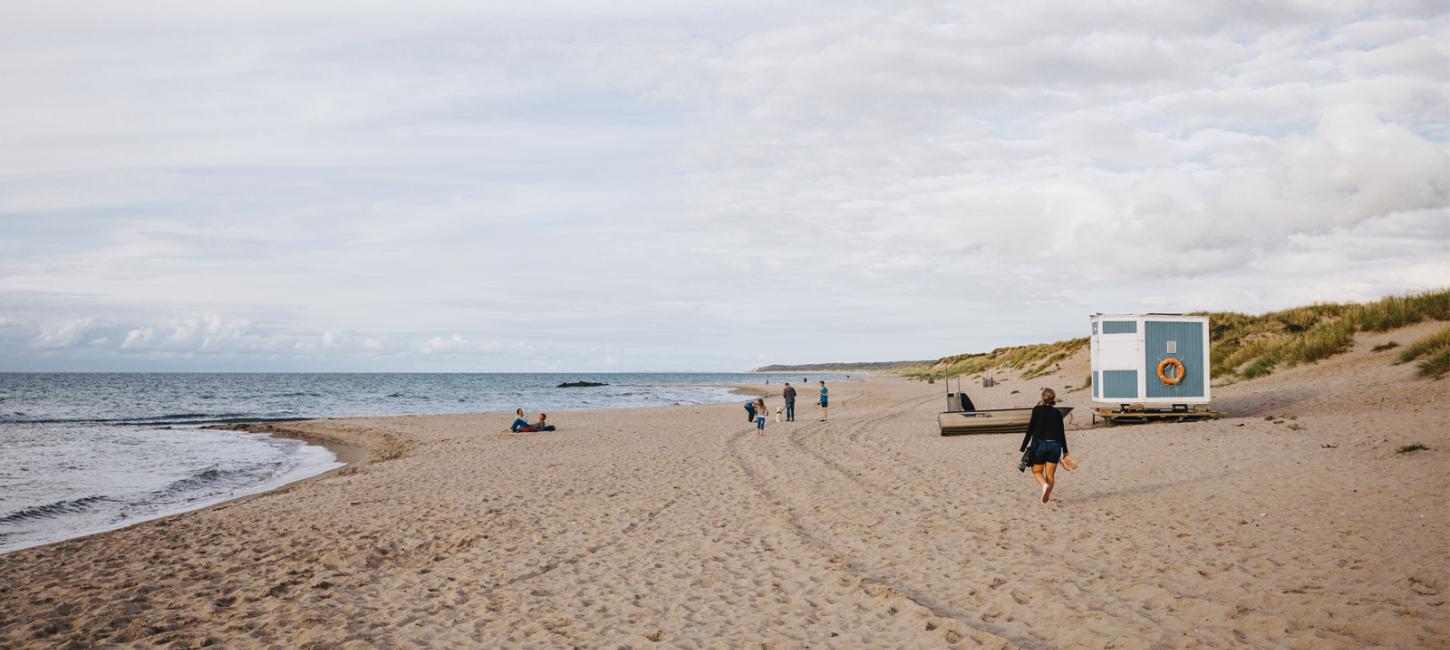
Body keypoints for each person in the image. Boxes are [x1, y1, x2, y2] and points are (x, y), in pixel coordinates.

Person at [1020, 388, 1072, 503]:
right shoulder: (1057, 413)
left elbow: (1031, 429)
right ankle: (1047, 494)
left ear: (1042, 397)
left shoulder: (1037, 410)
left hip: (1040, 445)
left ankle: (1044, 486)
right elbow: (1061, 432)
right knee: (1050, 475)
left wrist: (1023, 446)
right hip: (1055, 446)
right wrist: (1065, 450)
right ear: (1053, 399)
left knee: (1037, 471)